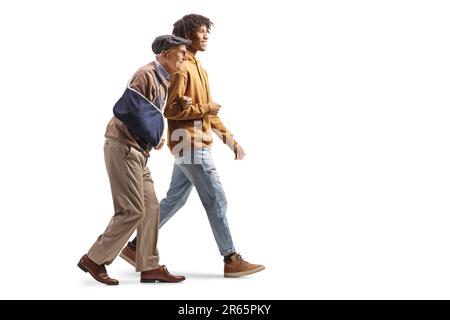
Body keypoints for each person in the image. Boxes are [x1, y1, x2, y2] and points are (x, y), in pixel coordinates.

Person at [121, 14, 265, 278]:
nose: (206, 35)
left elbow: (208, 114)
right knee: (216, 199)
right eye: (201, 31)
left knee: (174, 200)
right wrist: (204, 108)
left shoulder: (199, 68)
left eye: (206, 31)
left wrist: (230, 141)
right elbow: (170, 111)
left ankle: (134, 246)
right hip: (189, 145)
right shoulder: (182, 67)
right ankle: (231, 258)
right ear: (188, 36)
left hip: (192, 145)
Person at [77, 35, 192, 285]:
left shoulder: (164, 79)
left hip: (139, 152)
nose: (184, 56)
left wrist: (157, 132)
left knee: (151, 207)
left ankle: (149, 266)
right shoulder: (146, 74)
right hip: (123, 148)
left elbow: (150, 113)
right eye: (180, 52)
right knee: (131, 210)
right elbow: (130, 110)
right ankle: (94, 260)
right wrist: (153, 133)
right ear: (164, 55)